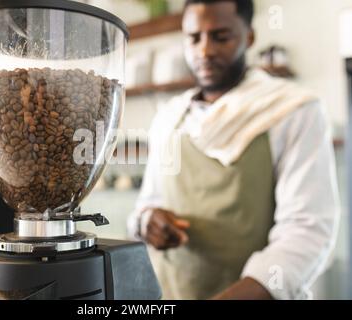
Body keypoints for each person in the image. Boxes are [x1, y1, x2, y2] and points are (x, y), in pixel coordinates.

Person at [127, 0, 340, 300]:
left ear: (249, 37)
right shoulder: (169, 118)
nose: (204, 51)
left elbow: (306, 231)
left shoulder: (292, 110)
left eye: (221, 36)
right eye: (194, 37)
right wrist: (148, 221)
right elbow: (144, 206)